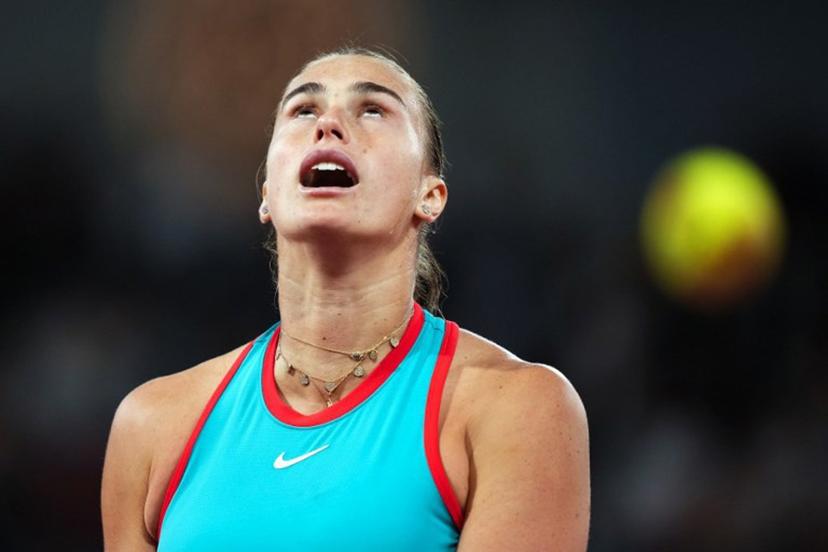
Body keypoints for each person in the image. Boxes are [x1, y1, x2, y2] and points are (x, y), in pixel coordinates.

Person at [101, 47, 590, 551]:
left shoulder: (515, 409)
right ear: (267, 193)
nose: (328, 125)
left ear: (431, 196)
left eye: (373, 109)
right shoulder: (154, 425)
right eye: (303, 110)